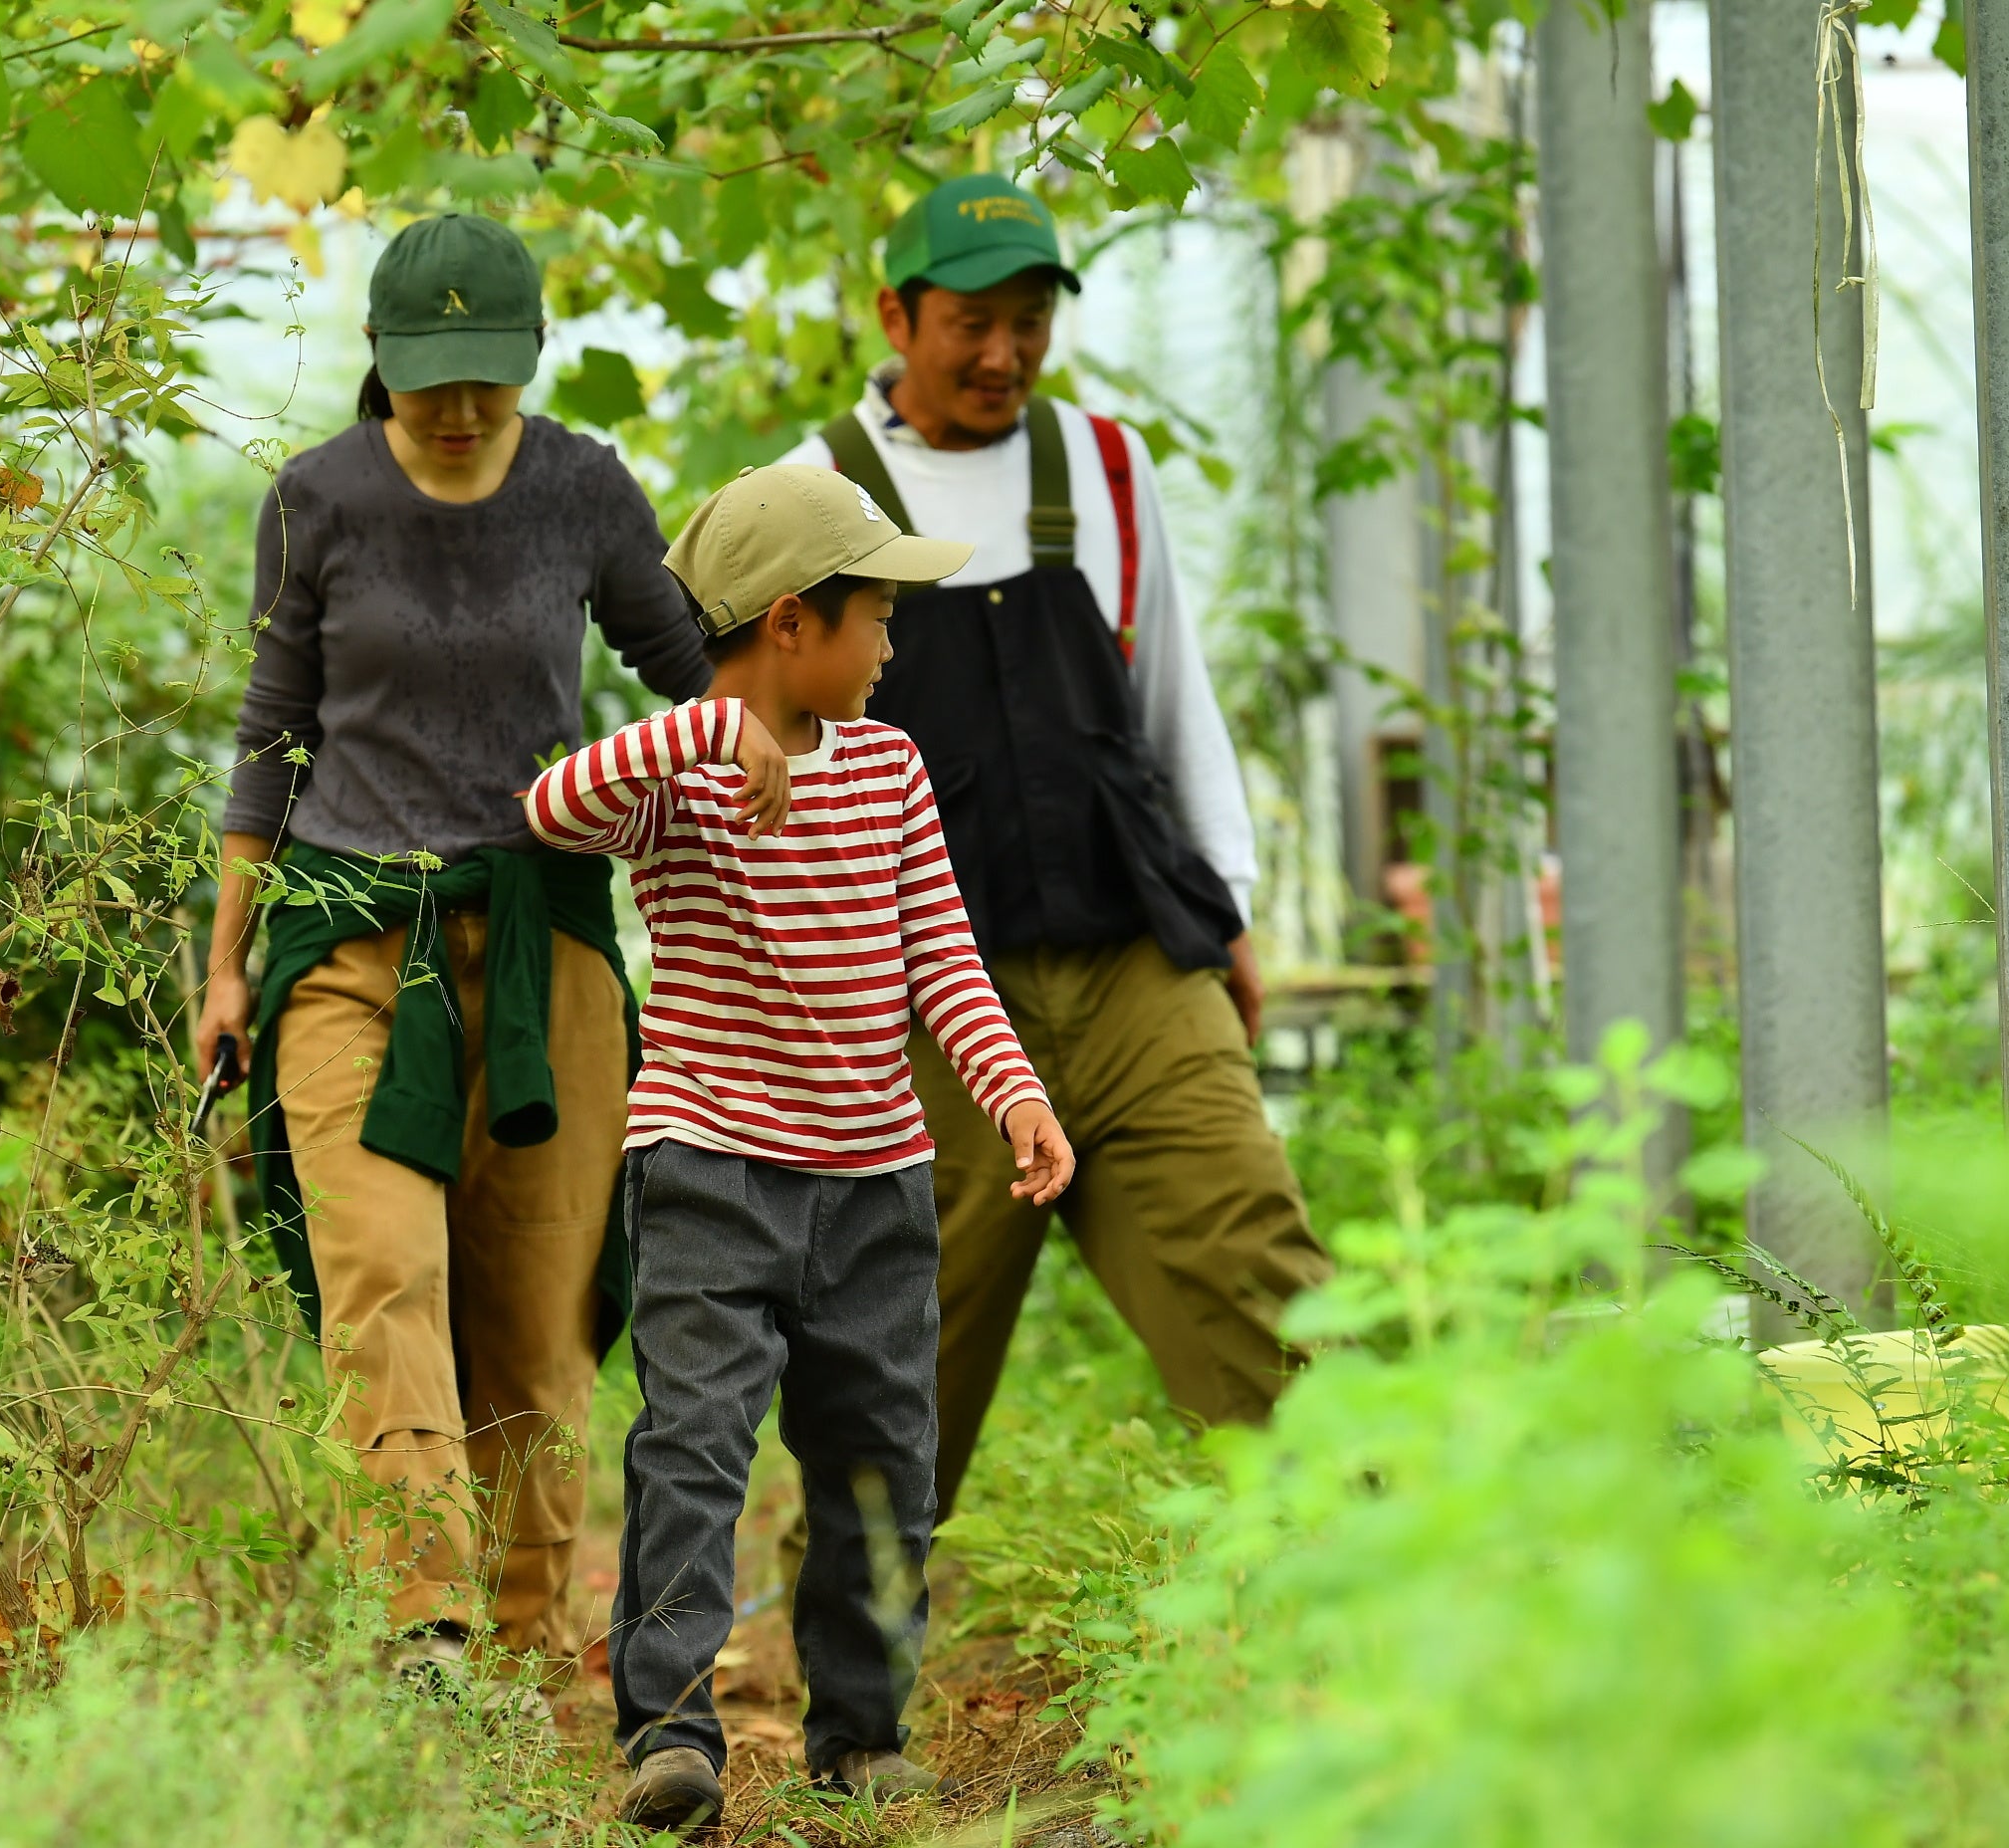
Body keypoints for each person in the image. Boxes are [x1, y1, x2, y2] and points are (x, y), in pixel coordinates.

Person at [193, 213, 711, 1676]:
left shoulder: (584, 493)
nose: (465, 406)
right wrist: (225, 968)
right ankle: (426, 1627)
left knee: (538, 1312)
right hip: (350, 939)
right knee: (380, 1276)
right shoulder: (319, 501)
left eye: (491, 374)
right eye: (434, 376)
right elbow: (270, 744)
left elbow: (689, 684)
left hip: (544, 949)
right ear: (383, 361)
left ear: (531, 358)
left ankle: (532, 1649)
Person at [523, 467, 1076, 1831]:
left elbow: (940, 961)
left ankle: (864, 1732)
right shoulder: (677, 776)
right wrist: (700, 738)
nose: (892, 647)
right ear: (791, 624)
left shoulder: (887, 771)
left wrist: (1016, 1094)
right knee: (695, 1449)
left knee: (885, 1458)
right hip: (709, 1172)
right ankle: (669, 1731)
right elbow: (549, 809)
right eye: (877, 616)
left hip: (877, 1184)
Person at [780, 174, 1332, 1516]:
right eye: (971, 321)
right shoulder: (811, 497)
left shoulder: (1103, 466)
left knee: (1265, 1279)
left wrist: (1228, 915)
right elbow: (766, 768)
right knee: (898, 1347)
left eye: (1030, 321)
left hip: (1135, 962)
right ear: (894, 316)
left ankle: (1380, 1624)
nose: (1002, 354)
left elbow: (1168, 701)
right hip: (924, 1011)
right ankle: (844, 1698)